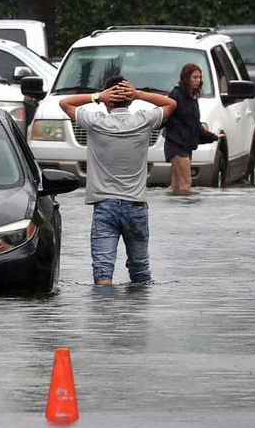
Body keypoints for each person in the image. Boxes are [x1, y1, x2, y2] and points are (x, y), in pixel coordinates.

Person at [59, 76, 176, 286]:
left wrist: (97, 97)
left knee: (103, 274)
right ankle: (138, 316)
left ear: (107, 100)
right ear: (129, 100)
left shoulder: (95, 122)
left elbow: (64, 103)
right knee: (140, 272)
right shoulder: (144, 120)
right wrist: (139, 94)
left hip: (105, 207)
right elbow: (171, 104)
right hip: (136, 206)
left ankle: (104, 316)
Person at [164, 63, 219, 195]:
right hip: (176, 144)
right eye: (194, 77)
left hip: (185, 145)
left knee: (177, 185)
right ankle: (184, 212)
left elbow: (194, 125)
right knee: (185, 185)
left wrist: (212, 137)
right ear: (186, 78)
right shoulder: (176, 95)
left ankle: (174, 210)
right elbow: (166, 117)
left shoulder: (192, 98)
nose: (198, 80)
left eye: (199, 77)